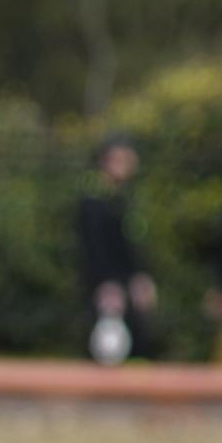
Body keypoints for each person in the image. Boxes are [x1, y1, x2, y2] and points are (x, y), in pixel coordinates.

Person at [76, 135, 158, 364]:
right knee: (109, 347)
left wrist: (139, 277)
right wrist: (106, 284)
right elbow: (94, 247)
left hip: (126, 283)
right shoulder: (94, 198)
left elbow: (132, 246)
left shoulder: (123, 197)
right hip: (107, 286)